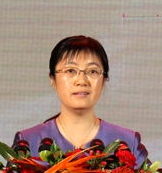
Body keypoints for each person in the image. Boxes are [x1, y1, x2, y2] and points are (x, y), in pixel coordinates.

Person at [13, 35, 148, 166]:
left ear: (104, 81)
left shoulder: (128, 143)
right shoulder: (27, 142)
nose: (81, 81)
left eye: (92, 71)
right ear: (53, 79)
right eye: (70, 71)